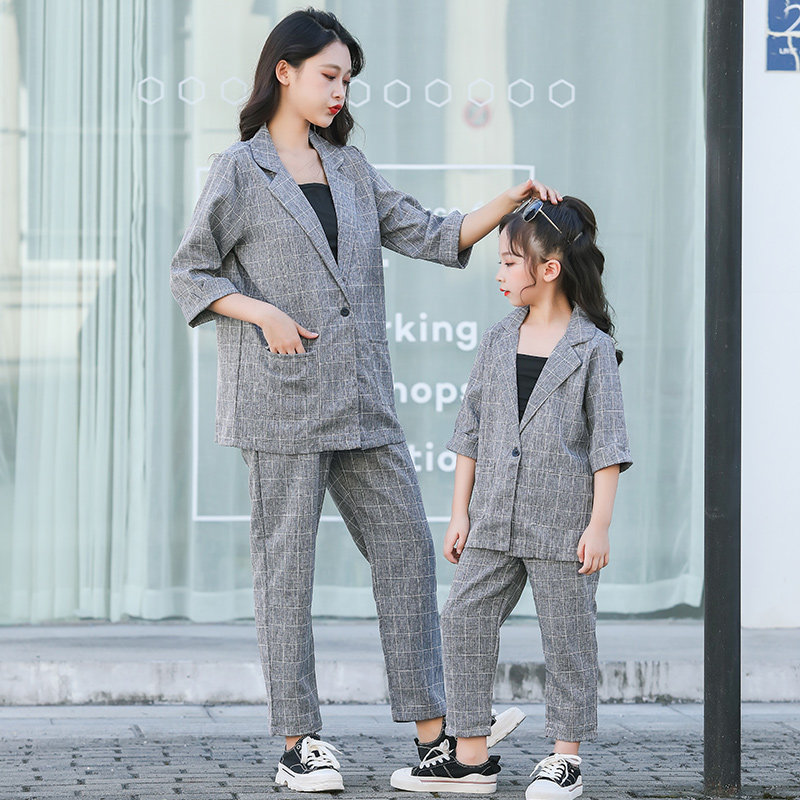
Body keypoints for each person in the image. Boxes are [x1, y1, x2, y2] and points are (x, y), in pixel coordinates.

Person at [170, 8, 559, 794]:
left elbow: (431, 232)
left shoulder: (348, 167)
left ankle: (434, 738)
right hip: (280, 401)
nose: (339, 91)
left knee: (406, 552)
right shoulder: (239, 170)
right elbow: (191, 273)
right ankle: (298, 742)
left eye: (347, 79)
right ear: (284, 71)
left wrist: (509, 200)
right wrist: (263, 312)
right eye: (328, 75)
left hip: (361, 400)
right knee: (286, 570)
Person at [390, 196, 632, 797]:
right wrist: (459, 513)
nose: (497, 273)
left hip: (563, 523)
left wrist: (599, 524)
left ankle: (565, 756)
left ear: (548, 269)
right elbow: (469, 431)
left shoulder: (592, 349)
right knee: (463, 618)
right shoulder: (498, 339)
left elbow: (608, 445)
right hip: (492, 518)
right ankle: (471, 757)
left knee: (568, 637)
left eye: (507, 262)